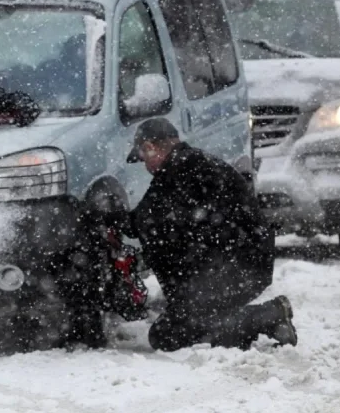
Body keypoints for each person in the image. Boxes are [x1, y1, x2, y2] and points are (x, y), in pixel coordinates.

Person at [108, 117, 298, 351]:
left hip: (233, 270)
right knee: (188, 322)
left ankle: (267, 315)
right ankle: (247, 325)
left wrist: (105, 214)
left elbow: (142, 222)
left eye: (144, 157)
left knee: (166, 335)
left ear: (150, 147)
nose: (146, 167)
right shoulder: (191, 164)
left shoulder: (179, 172)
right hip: (239, 266)